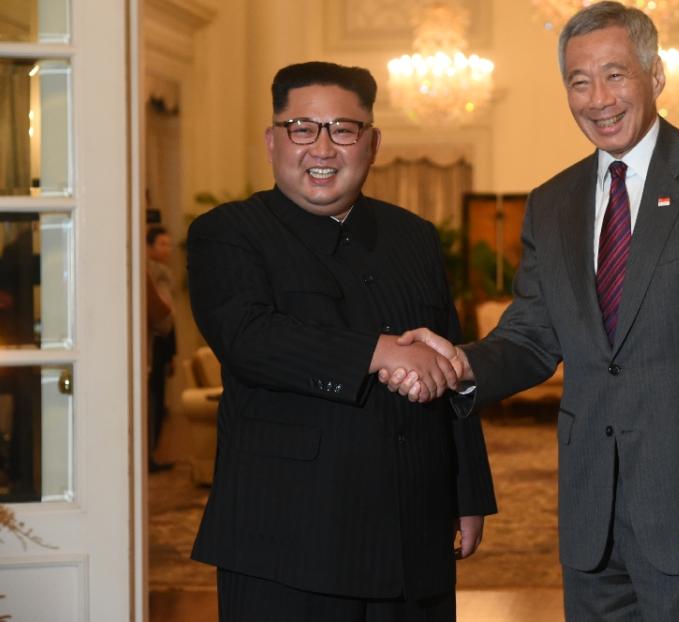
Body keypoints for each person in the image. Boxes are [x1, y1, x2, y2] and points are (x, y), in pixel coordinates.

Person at [384, 1, 679, 621]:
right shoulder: (551, 202)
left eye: (615, 74)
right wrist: (460, 362)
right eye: (579, 81)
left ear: (655, 76)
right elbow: (531, 338)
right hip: (589, 518)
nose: (597, 98)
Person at [185, 61, 496, 622]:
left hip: (413, 534)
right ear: (272, 140)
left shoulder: (414, 237)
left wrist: (468, 494)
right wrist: (381, 352)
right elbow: (249, 337)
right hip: (286, 538)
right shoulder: (228, 232)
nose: (322, 148)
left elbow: (450, 367)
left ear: (372, 143)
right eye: (302, 128)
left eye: (343, 130)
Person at [146, 225, 176, 473]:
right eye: (162, 244)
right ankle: (148, 456)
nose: (167, 250)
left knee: (156, 399)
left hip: (160, 344)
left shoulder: (162, 272)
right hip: (151, 342)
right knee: (152, 400)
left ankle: (150, 454)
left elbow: (170, 321)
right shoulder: (152, 271)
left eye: (169, 245)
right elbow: (164, 317)